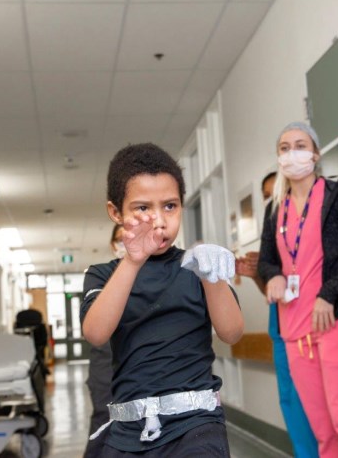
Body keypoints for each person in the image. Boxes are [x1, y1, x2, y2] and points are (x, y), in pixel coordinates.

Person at [81, 143, 243, 456]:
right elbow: (96, 333)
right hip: (128, 432)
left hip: (196, 425)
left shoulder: (195, 266)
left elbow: (232, 332)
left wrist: (212, 279)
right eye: (143, 208)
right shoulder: (103, 275)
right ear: (116, 212)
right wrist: (132, 262)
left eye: (170, 206)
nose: (158, 220)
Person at [258, 122, 338, 458]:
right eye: (284, 147)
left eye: (299, 145)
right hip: (295, 329)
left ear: (316, 153)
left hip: (336, 320)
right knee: (322, 429)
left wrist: (329, 293)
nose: (291, 153)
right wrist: (272, 276)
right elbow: (267, 260)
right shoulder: (274, 209)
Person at [235, 172, 318, 458]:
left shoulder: (309, 227)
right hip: (281, 327)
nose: (274, 200)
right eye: (267, 196)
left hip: (312, 328)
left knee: (316, 404)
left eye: (277, 192)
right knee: (291, 401)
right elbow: (273, 294)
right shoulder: (272, 236)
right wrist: (259, 274)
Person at [82, 225, 120, 458]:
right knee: (103, 424)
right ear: (113, 244)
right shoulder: (101, 277)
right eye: (121, 236)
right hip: (105, 368)